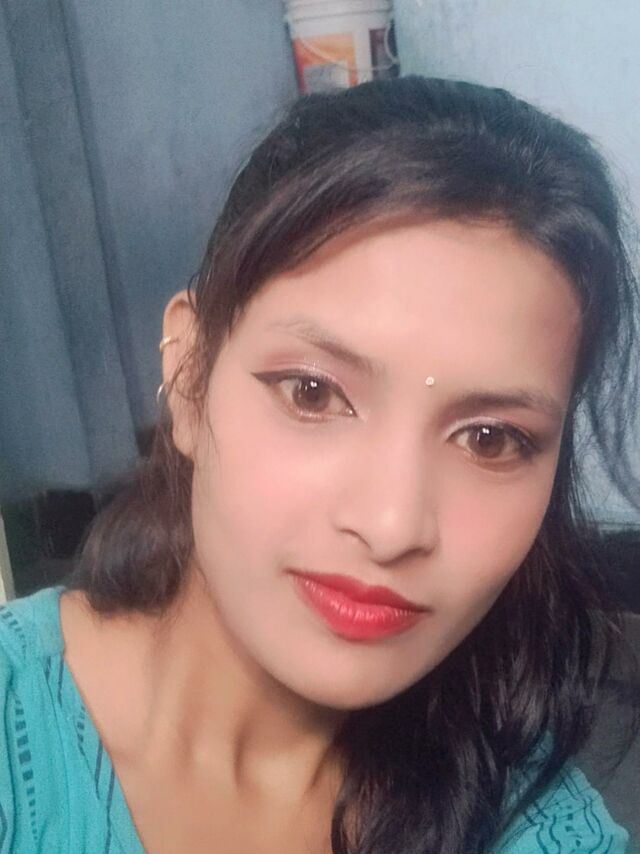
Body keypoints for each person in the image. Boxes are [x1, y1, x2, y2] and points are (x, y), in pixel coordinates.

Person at [1, 76, 638, 853]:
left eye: (489, 439)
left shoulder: (536, 826)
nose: (391, 525)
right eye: (313, 393)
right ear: (189, 376)